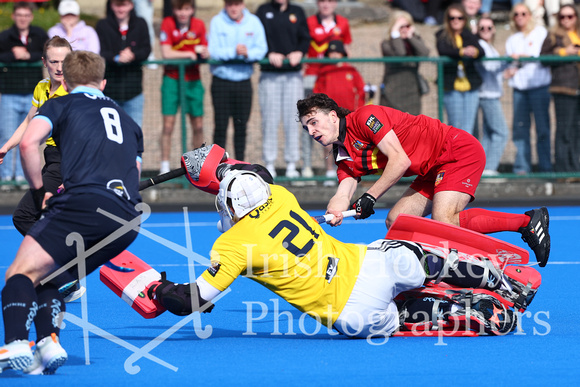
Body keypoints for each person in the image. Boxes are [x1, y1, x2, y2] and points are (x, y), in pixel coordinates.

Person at [147, 168, 518, 338]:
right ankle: (493, 276)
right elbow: (256, 172)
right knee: (411, 257)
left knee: (405, 314)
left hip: (350, 313)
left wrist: (158, 290)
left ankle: (460, 312)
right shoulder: (280, 196)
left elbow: (189, 300)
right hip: (367, 264)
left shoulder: (230, 245)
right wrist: (212, 164)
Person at [0, 50, 143, 375]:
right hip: (128, 218)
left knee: (19, 273)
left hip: (84, 204)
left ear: (67, 80)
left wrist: (41, 194)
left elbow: (28, 144)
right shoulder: (128, 119)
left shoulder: (61, 102)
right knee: (50, 274)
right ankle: (48, 343)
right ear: (103, 82)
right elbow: (135, 169)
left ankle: (16, 342)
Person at [296, 93, 551, 267]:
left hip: (456, 151)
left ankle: (528, 222)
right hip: (431, 169)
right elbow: (344, 192)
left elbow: (400, 161)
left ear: (332, 116)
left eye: (314, 122)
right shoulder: (343, 155)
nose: (311, 131)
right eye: (306, 128)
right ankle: (436, 271)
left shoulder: (365, 118)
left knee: (444, 218)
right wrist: (334, 213)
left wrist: (370, 197)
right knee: (398, 221)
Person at [0, 37, 72, 236]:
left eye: (64, 62)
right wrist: (6, 147)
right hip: (51, 159)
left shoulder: (75, 93)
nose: (59, 68)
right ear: (44, 62)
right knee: (49, 215)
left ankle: (57, 253)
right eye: (53, 62)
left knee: (23, 216)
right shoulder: (42, 87)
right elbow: (28, 122)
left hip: (67, 160)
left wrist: (74, 172)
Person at [256, 0, 311, 179]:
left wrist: (300, 52)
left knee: (293, 119)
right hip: (270, 75)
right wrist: (268, 53)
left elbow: (305, 38)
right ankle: (269, 163)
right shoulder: (263, 11)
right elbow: (256, 40)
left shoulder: (298, 11)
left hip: (293, 75)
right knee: (270, 120)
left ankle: (291, 164)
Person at [208, 0, 267, 161]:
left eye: (237, 3)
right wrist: (233, 52)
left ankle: (239, 163)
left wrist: (248, 53)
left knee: (241, 126)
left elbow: (261, 49)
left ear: (243, 4)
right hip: (221, 81)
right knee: (220, 126)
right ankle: (217, 165)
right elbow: (212, 50)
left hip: (243, 81)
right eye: (230, 4)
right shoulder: (217, 22)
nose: (233, 8)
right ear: (225, 5)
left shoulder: (254, 22)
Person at [302, 0, 352, 179]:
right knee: (309, 123)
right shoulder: (309, 22)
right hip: (312, 76)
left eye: (330, 0)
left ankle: (339, 168)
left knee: (334, 124)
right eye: (322, 0)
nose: (326, 4)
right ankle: (306, 166)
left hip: (333, 76)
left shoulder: (343, 23)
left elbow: (346, 49)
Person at [0, 2, 48, 189]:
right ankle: (6, 179)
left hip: (32, 95)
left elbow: (46, 53)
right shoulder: (5, 37)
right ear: (13, 16)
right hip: (10, 94)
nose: (22, 18)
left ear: (31, 17)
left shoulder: (39, 35)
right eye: (19, 15)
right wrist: (14, 55)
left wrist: (28, 55)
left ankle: (22, 176)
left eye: (26, 15)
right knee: (7, 136)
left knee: (28, 138)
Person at [158, 0, 209, 174]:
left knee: (198, 124)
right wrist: (189, 53)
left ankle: (197, 165)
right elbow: (166, 53)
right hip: (171, 79)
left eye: (186, 9)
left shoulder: (199, 25)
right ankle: (164, 164)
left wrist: (204, 53)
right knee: (168, 125)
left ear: (192, 10)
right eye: (179, 9)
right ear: (174, 10)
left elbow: (205, 50)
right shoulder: (167, 23)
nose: (183, 13)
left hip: (193, 79)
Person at [505, 3, 552, 174]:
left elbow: (540, 56)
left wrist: (522, 58)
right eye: (516, 14)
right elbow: (512, 63)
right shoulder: (512, 39)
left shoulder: (541, 32)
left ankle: (545, 168)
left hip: (539, 87)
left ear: (529, 15)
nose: (520, 17)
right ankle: (522, 167)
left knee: (542, 129)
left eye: (523, 13)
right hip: (520, 89)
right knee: (520, 129)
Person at [312, 40, 365, 186]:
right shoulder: (324, 71)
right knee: (328, 142)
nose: (334, 55)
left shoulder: (351, 70)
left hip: (347, 114)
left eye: (337, 52)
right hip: (328, 114)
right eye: (331, 53)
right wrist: (321, 111)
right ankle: (330, 171)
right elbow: (317, 92)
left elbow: (360, 91)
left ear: (343, 53)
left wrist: (357, 110)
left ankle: (349, 171)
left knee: (349, 142)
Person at [96, 0, 151, 128]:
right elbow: (100, 51)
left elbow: (146, 49)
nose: (121, 9)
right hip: (110, 92)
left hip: (134, 91)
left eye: (124, 5)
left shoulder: (140, 24)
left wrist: (133, 55)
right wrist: (116, 58)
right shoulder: (103, 25)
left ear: (131, 5)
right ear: (111, 5)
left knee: (134, 134)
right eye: (117, 5)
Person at [436, 4, 483, 136]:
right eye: (452, 18)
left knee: (468, 129)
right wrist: (462, 51)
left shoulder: (469, 35)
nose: (456, 20)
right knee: (455, 128)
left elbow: (481, 51)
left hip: (470, 87)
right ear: (447, 19)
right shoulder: (442, 35)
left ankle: (467, 156)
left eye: (459, 17)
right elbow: (444, 50)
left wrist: (475, 51)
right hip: (452, 88)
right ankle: (456, 156)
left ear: (464, 19)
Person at [475, 17, 509, 175]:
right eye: (482, 28)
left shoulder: (489, 46)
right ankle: (489, 168)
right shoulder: (481, 45)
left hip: (491, 93)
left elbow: (495, 69)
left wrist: (506, 68)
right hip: (487, 94)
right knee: (501, 132)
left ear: (494, 29)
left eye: (489, 27)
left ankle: (483, 168)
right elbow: (489, 65)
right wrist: (508, 60)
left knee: (489, 133)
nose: (486, 31)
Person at [380, 10, 430, 116]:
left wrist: (411, 37)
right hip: (392, 92)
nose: (404, 29)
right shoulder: (387, 44)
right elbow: (400, 53)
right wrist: (395, 35)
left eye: (407, 26)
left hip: (412, 92)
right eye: (400, 26)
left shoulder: (414, 41)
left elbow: (425, 53)